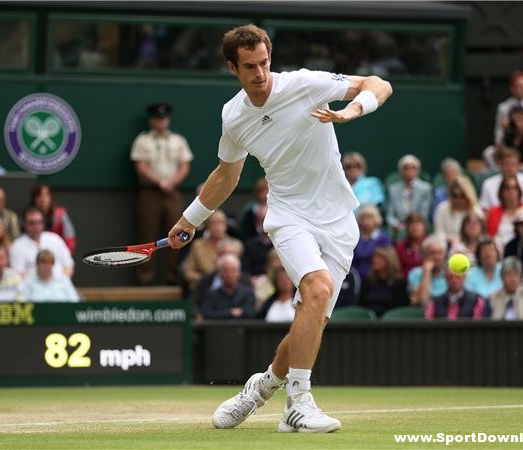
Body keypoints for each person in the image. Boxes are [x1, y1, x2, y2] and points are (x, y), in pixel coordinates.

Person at [166, 24, 392, 432]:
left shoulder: (305, 84)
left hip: (339, 219)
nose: (260, 73)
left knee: (313, 316)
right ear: (232, 67)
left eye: (265, 63)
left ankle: (261, 388)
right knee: (317, 291)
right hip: (289, 216)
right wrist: (190, 220)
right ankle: (298, 403)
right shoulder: (233, 115)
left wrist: (352, 110)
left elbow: (378, 83)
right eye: (250, 66)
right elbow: (226, 175)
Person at [130, 101, 194, 285]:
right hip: (150, 193)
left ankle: (172, 278)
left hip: (172, 193)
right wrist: (159, 181)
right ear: (151, 121)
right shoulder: (143, 140)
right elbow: (140, 165)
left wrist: (172, 182)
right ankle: (145, 279)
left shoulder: (178, 140)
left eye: (164, 118)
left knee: (176, 235)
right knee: (146, 235)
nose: (161, 122)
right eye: (157, 119)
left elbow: (185, 165)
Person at [182, 210, 243, 291]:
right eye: (213, 223)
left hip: (231, 288)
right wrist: (206, 281)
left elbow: (242, 272)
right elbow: (188, 272)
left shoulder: (236, 245)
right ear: (207, 226)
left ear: (226, 226)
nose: (217, 227)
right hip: (204, 288)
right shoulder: (197, 245)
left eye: (221, 223)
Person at [9, 207, 74, 278]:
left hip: (60, 286)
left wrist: (61, 283)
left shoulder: (55, 239)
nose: (36, 226)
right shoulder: (17, 246)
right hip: (32, 287)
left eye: (39, 222)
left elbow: (68, 265)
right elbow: (18, 274)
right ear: (25, 224)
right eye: (31, 223)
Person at [479, 147, 523, 211]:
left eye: (513, 164)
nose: (510, 168)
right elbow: (485, 210)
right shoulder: (488, 184)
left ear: (518, 165)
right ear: (500, 165)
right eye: (506, 164)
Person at [386, 154, 432, 236]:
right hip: (398, 227)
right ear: (400, 170)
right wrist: (396, 225)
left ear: (418, 170)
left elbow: (424, 213)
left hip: (418, 225)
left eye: (413, 168)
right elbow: (390, 214)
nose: (409, 171)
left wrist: (412, 225)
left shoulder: (425, 188)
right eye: (406, 168)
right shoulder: (393, 189)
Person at [200, 253, 256, 320]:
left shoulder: (248, 293)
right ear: (220, 274)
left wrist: (220, 313)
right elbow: (206, 314)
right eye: (226, 271)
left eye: (233, 271)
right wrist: (231, 312)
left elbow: (250, 314)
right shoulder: (211, 295)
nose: (230, 275)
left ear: (239, 273)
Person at [486, 176, 523, 249]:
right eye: (507, 188)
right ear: (501, 192)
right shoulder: (493, 212)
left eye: (514, 188)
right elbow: (490, 236)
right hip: (497, 249)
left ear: (519, 191)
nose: (511, 191)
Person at [358, 246, 409, 317]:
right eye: (374, 257)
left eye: (379, 258)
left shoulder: (400, 283)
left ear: (389, 261)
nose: (374, 260)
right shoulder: (367, 282)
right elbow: (360, 307)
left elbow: (402, 310)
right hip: (368, 324)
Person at [433, 175, 483, 244]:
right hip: (447, 245)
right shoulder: (443, 208)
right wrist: (453, 239)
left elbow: (480, 234)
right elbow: (438, 233)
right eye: (455, 196)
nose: (459, 199)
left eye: (462, 196)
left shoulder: (476, 210)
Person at [29, 183, 77, 254]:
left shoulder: (61, 214)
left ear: (51, 197)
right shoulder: (29, 216)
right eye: (39, 195)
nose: (43, 199)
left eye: (47, 195)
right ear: (34, 198)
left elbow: (70, 240)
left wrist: (64, 258)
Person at [351, 204, 390, 282]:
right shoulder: (355, 238)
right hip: (357, 278)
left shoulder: (383, 238)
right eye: (363, 218)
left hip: (376, 279)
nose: (366, 221)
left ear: (376, 219)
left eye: (369, 217)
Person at [407, 234, 448, 307]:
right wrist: (426, 272)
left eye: (439, 253)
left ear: (445, 255)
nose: (436, 257)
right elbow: (424, 303)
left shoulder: (451, 275)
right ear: (423, 255)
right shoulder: (414, 274)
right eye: (432, 253)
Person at [395, 211, 426, 277]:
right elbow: (398, 270)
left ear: (424, 226)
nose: (415, 227)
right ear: (407, 228)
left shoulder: (430, 245)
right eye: (411, 223)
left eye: (418, 223)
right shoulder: (400, 247)